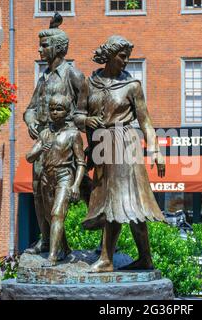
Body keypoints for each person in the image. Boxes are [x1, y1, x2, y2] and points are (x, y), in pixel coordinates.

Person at [74, 35, 166, 272]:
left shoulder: (132, 86)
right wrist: (87, 121)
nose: (126, 61)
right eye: (122, 56)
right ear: (110, 56)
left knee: (128, 202)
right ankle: (133, 258)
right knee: (113, 203)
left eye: (128, 57)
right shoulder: (89, 83)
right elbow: (77, 115)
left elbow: (145, 121)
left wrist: (155, 150)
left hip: (125, 144)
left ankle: (113, 258)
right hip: (102, 147)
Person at [23, 14, 91, 255]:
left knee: (69, 196)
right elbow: (30, 108)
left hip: (65, 142)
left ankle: (73, 245)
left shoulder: (73, 75)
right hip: (43, 141)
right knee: (38, 194)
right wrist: (31, 121)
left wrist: (71, 132)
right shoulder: (42, 78)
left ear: (58, 48)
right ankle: (46, 241)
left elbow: (83, 111)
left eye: (44, 45)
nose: (40, 50)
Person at [26, 94, 86, 266]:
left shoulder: (73, 134)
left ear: (67, 112)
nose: (54, 112)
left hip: (64, 176)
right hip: (46, 178)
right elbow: (29, 157)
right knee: (50, 216)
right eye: (52, 109)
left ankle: (52, 256)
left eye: (59, 109)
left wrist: (76, 185)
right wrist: (39, 150)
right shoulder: (44, 133)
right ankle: (65, 248)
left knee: (57, 214)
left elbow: (81, 162)